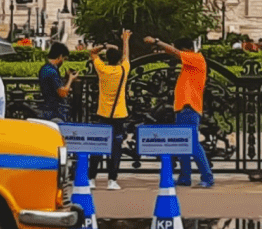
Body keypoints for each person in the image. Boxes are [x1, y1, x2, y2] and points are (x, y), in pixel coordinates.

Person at [147, 35, 213, 188]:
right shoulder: (191, 62)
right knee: (183, 144)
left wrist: (158, 41)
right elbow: (175, 52)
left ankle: (207, 177)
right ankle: (185, 176)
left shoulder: (195, 58)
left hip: (189, 107)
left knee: (193, 144)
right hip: (184, 107)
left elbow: (175, 52)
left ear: (186, 49)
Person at [90, 32, 132, 189]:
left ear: (107, 59)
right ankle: (112, 180)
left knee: (98, 145)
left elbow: (92, 53)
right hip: (119, 113)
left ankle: (91, 178)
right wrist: (125, 40)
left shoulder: (103, 69)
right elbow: (126, 56)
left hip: (103, 113)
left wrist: (106, 46)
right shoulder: (123, 70)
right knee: (116, 147)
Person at [36, 42, 76, 122]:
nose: (63, 61)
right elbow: (62, 93)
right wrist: (71, 79)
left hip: (46, 107)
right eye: (64, 59)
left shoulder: (45, 68)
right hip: (54, 111)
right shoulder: (52, 71)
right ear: (60, 56)